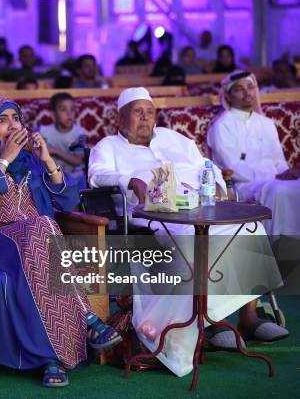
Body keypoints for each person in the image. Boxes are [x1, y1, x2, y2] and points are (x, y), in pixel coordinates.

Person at [88, 87, 288, 376]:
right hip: (157, 218)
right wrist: (130, 180)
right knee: (200, 241)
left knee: (250, 228)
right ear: (120, 117)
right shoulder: (107, 146)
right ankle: (210, 324)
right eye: (137, 112)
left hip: (202, 207)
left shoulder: (175, 139)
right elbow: (96, 175)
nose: (145, 118)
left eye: (149, 111)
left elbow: (207, 165)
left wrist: (218, 183)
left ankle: (248, 318)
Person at [0, 97, 121, 388]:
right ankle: (87, 317)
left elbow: (70, 202)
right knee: (43, 227)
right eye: (2, 119)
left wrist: (47, 160)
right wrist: (4, 160)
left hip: (38, 242)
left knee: (41, 237)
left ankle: (51, 360)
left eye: (15, 118)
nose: (12, 124)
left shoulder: (32, 161)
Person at [208, 70, 300, 236]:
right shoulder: (222, 125)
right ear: (228, 96)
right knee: (279, 191)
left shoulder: (266, 123)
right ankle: (278, 246)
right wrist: (273, 178)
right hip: (243, 186)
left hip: (274, 181)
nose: (247, 93)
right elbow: (232, 168)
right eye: (239, 89)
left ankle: (293, 247)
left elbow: (279, 161)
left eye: (250, 87)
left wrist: (288, 174)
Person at [39, 93, 88, 188]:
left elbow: (77, 161)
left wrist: (55, 151)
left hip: (75, 177)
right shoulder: (43, 131)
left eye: (72, 110)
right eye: (63, 109)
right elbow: (36, 154)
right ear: (53, 114)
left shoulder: (79, 133)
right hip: (51, 176)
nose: (69, 114)